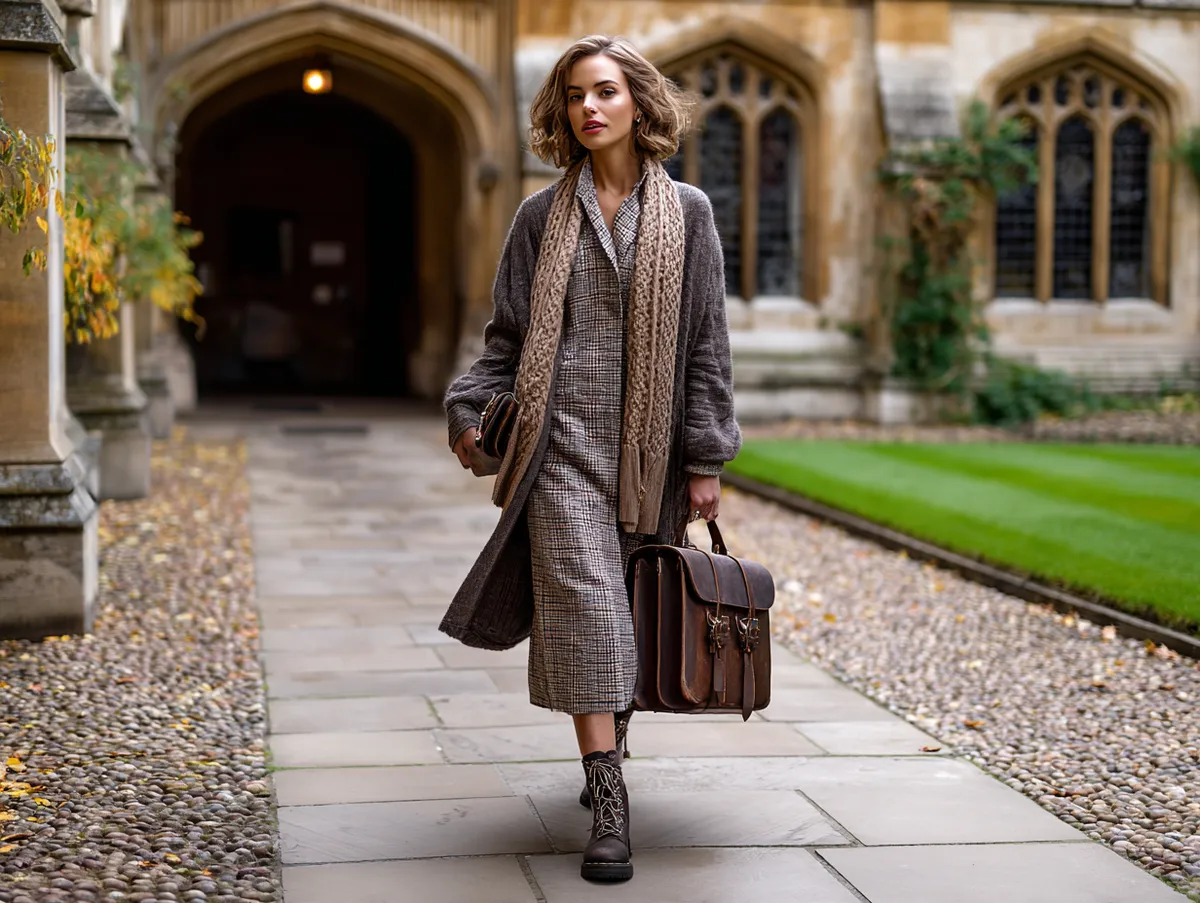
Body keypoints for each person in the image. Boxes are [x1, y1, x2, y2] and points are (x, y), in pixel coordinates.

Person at [440, 34, 741, 883]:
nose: (590, 108)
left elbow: (708, 348)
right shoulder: (540, 217)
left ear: (638, 103)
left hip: (649, 454)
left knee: (631, 610)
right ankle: (609, 801)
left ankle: (611, 726)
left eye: (605, 91)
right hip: (557, 447)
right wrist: (468, 411)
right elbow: (505, 340)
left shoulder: (690, 213)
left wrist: (708, 457)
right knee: (587, 611)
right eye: (575, 95)